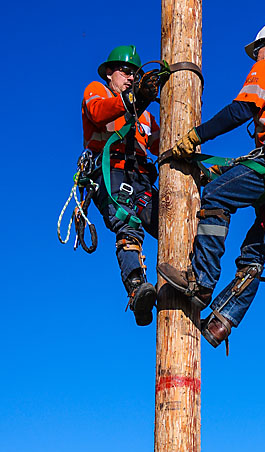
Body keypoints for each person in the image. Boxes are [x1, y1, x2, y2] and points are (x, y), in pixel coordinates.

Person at [158, 21, 265, 350]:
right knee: (255, 253)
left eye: (257, 51)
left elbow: (241, 110)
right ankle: (222, 322)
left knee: (216, 195)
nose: (256, 58)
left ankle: (201, 282)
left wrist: (197, 136)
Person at [82, 46, 160, 324]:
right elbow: (98, 113)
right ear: (109, 72)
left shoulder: (147, 116)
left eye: (135, 75)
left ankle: (185, 283)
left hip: (141, 179)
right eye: (125, 72)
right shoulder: (99, 92)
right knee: (128, 225)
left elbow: (162, 146)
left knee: (172, 225)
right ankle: (137, 289)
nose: (129, 78)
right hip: (110, 174)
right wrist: (132, 98)